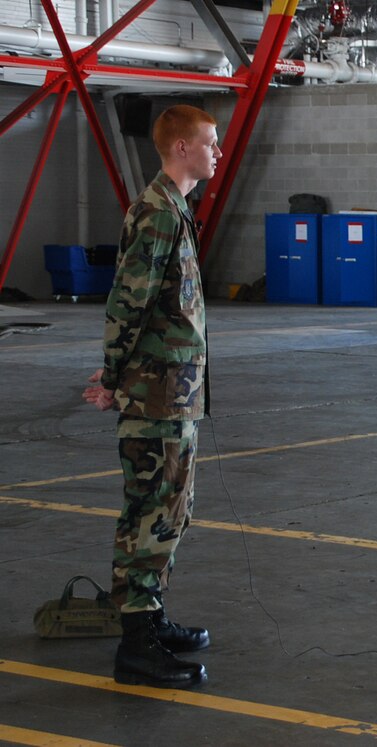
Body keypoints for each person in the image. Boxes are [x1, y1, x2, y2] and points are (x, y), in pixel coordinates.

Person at [82, 104, 222, 687]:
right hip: (155, 395)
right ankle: (137, 645)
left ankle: (150, 615)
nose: (217, 151)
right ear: (182, 148)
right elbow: (129, 302)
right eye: (211, 143)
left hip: (173, 392)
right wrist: (112, 376)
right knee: (152, 511)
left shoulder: (175, 209)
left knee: (169, 509)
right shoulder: (158, 214)